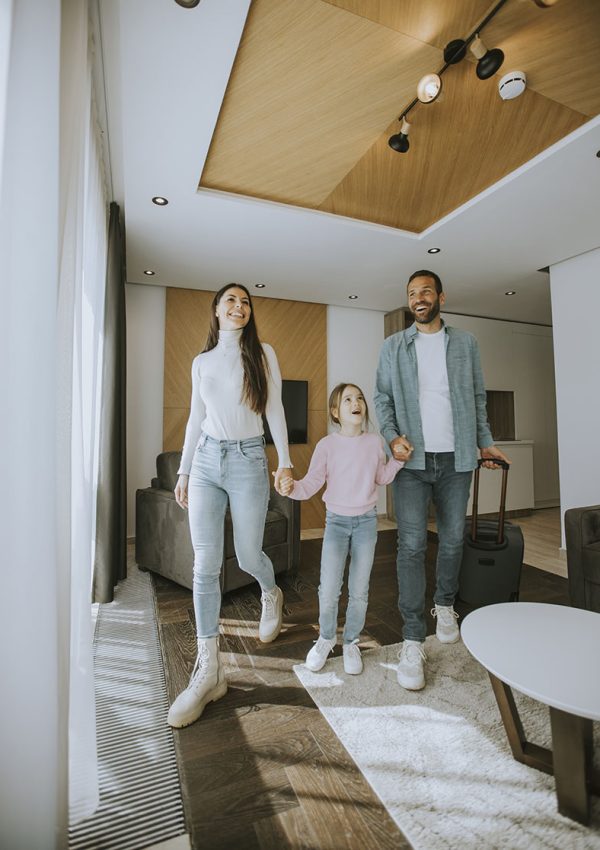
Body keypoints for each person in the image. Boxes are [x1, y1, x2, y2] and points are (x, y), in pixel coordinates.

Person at [374, 270, 510, 691]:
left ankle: (445, 604)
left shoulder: (466, 343)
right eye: (412, 293)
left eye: (426, 292)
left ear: (441, 298)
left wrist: (484, 443)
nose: (419, 298)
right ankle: (412, 637)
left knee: (452, 539)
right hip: (412, 462)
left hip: (457, 459)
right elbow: (382, 398)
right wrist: (392, 436)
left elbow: (477, 398)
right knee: (411, 545)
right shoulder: (393, 347)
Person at [168, 283, 292, 728]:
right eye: (231, 301)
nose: (239, 306)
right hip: (205, 460)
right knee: (204, 564)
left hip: (248, 459)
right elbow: (195, 419)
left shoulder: (263, 354)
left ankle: (270, 591)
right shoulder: (201, 362)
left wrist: (285, 461)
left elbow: (274, 409)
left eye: (245, 302)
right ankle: (210, 671)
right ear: (217, 310)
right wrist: (183, 471)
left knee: (246, 555)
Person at [280, 383, 405, 675]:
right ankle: (326, 639)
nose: (356, 403)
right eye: (347, 399)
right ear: (335, 412)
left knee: (359, 590)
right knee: (329, 589)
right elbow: (310, 484)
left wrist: (398, 461)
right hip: (336, 523)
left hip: (367, 523)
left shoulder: (375, 442)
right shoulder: (327, 445)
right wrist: (291, 487)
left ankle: (351, 642)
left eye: (359, 398)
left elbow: (382, 477)